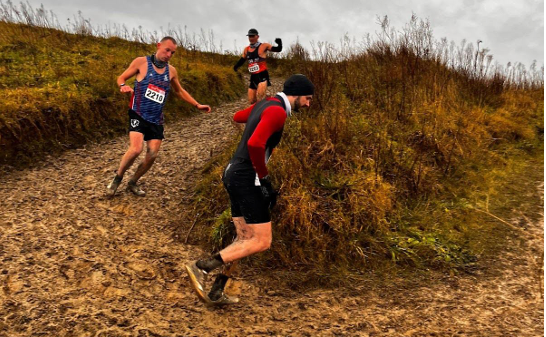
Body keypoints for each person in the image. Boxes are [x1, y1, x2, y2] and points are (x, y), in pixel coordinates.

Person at [186, 74, 314, 305]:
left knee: (244, 239)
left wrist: (257, 115)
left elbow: (238, 116)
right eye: (307, 98)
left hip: (232, 172)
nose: (308, 103)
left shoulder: (267, 105)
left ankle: (217, 291)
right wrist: (264, 179)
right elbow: (255, 144)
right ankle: (201, 267)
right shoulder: (277, 112)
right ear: (295, 95)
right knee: (261, 241)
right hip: (246, 177)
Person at [106, 36, 211, 197]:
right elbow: (121, 77)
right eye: (167, 50)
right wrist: (123, 86)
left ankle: (133, 182)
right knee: (136, 149)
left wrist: (197, 104)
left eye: (173, 53)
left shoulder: (171, 71)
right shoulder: (141, 62)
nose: (169, 55)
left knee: (153, 154)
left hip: (156, 118)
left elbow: (179, 91)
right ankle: (117, 178)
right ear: (158, 46)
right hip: (138, 113)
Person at [233, 28, 283, 104]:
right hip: (253, 76)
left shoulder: (263, 46)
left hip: (262, 74)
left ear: (257, 36)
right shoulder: (246, 49)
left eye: (253, 36)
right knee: (251, 100)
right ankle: (267, 101)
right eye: (250, 36)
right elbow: (242, 60)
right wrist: (235, 67)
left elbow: (277, 49)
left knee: (259, 97)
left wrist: (279, 44)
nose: (251, 38)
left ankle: (264, 106)